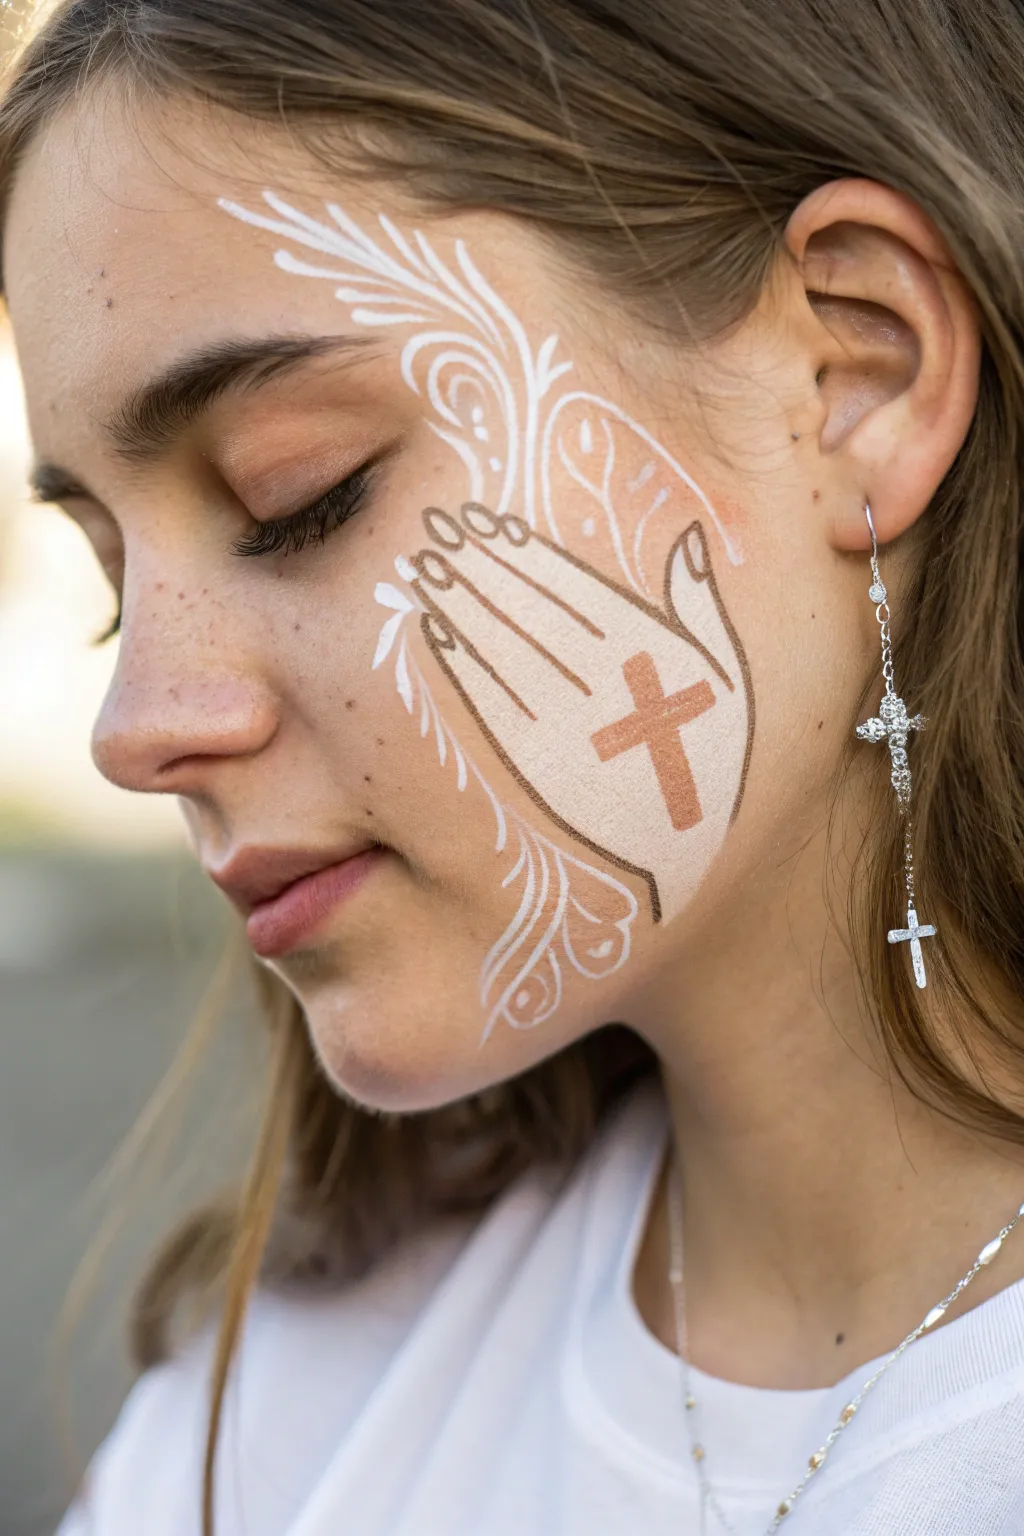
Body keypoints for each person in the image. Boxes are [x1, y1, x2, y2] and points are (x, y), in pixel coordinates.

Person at [4, 0, 1024, 1531]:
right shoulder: (266, 1436)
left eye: (301, 495)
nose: (139, 725)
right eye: (109, 575)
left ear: (855, 378)